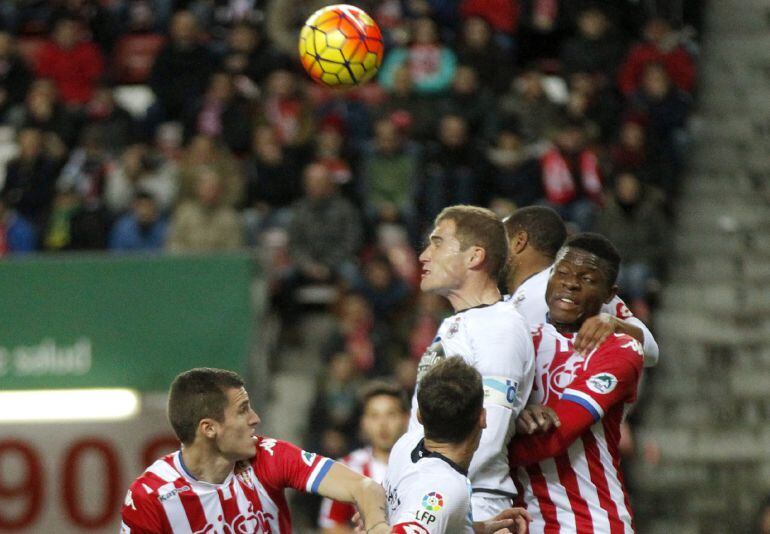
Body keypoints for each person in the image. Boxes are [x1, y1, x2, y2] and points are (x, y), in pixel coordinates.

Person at [120, 367, 390, 533]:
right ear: (209, 428)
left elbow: (365, 487)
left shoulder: (269, 456)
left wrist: (378, 526)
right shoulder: (150, 496)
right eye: (242, 410)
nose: (255, 418)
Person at [507, 233, 644, 533]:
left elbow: (556, 437)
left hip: (589, 522)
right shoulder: (516, 339)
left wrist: (477, 450)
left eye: (587, 278)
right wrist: (514, 420)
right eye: (563, 272)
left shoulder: (619, 348)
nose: (570, 283)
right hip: (525, 523)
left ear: (610, 294)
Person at [411, 205, 535, 521]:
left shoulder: (499, 327)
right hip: (436, 499)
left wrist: (419, 489)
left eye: (437, 243)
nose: (425, 255)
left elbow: (489, 435)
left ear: (474, 256)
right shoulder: (460, 323)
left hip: (468, 503)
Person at [385, 357, 530, 533]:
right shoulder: (447, 489)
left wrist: (477, 528)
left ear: (419, 416)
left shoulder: (406, 443)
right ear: (482, 418)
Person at [503, 205, 659, 366]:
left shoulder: (573, 292)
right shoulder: (511, 300)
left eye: (501, 242)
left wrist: (614, 325)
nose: (495, 251)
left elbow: (651, 351)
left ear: (519, 242)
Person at [319, 382, 409, 533]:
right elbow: (331, 527)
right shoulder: (347, 468)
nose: (383, 424)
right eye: (374, 416)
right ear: (364, 422)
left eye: (391, 414)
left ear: (406, 419)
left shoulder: (422, 467)